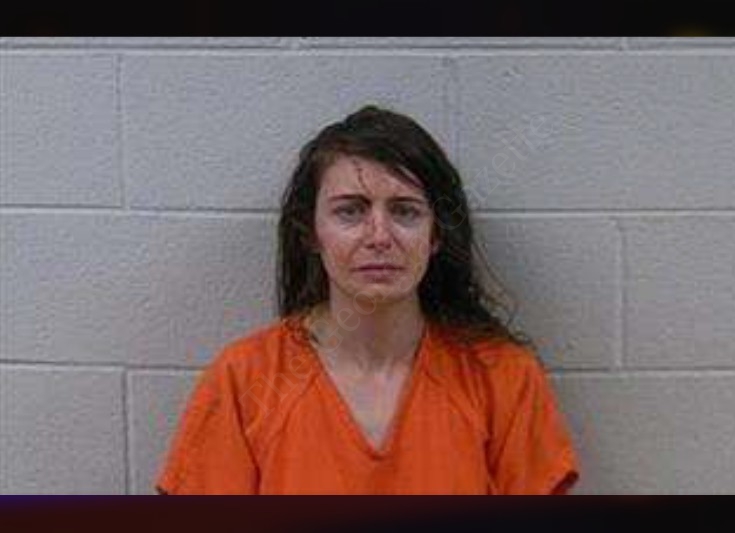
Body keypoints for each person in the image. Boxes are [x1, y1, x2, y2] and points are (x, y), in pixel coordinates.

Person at [155, 105, 579, 494]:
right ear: (311, 233)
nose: (379, 237)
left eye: (405, 211)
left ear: (436, 234)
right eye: (351, 211)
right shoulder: (245, 381)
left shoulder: (503, 378)